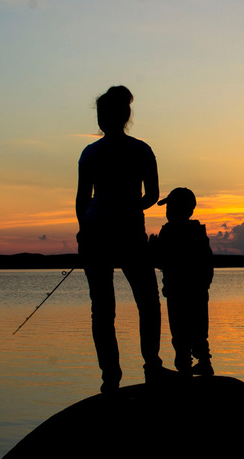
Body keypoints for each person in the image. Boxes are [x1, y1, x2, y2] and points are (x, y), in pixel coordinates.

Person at [76, 85, 170, 393]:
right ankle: (152, 367)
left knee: (102, 309)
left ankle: (110, 378)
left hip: (95, 231)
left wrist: (84, 229)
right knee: (148, 302)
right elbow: (153, 196)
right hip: (128, 231)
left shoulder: (89, 153)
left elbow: (82, 199)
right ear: (126, 116)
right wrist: (131, 205)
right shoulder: (141, 150)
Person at [151, 187, 214, 377]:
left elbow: (162, 262)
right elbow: (207, 264)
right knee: (198, 333)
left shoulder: (168, 232)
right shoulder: (198, 232)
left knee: (180, 335)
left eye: (170, 207)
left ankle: (186, 369)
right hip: (198, 293)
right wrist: (203, 286)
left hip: (178, 293)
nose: (167, 211)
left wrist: (152, 249)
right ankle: (203, 364)